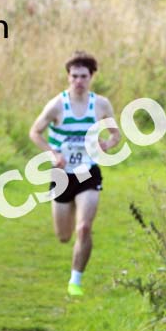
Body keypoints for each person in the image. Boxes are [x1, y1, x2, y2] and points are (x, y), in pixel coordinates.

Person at [29, 51, 120, 297]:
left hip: (88, 174)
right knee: (63, 235)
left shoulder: (100, 104)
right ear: (68, 77)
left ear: (91, 77)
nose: (78, 81)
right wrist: (52, 154)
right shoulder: (57, 104)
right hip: (62, 176)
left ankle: (75, 281)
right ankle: (69, 234)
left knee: (84, 228)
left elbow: (115, 134)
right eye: (74, 76)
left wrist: (106, 145)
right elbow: (35, 132)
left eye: (83, 76)